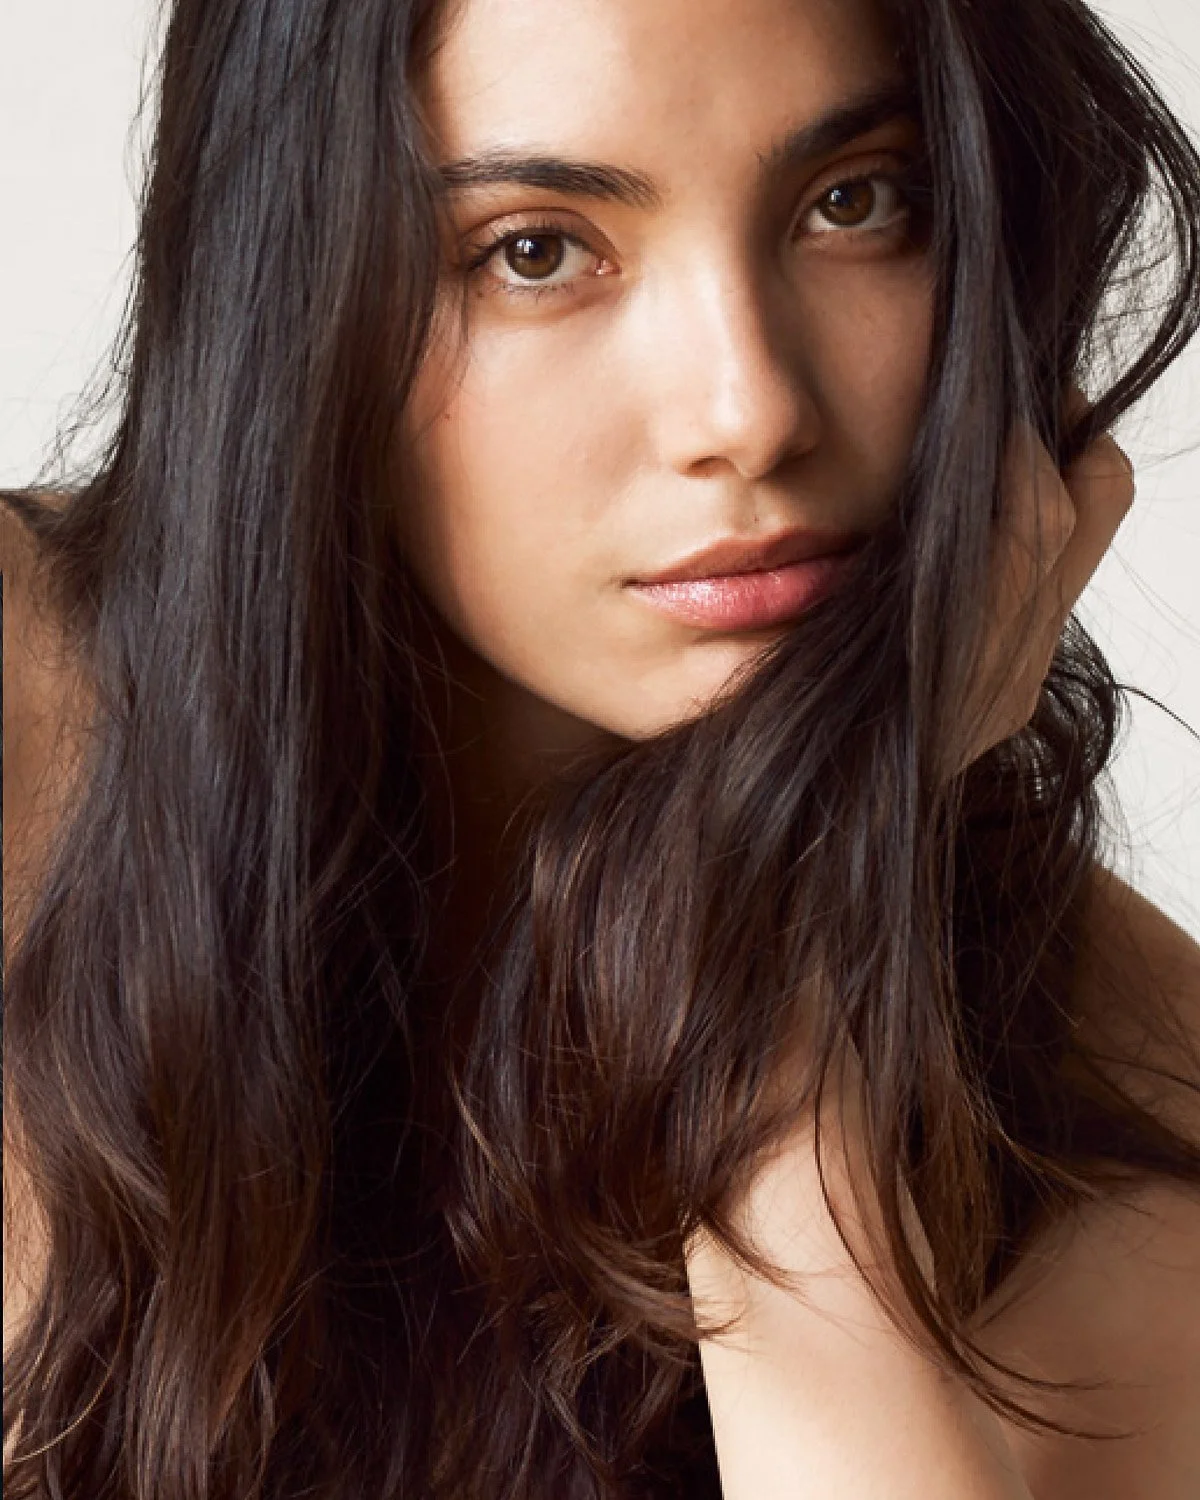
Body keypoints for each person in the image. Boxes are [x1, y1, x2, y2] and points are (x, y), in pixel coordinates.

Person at [4, 0, 1200, 1495]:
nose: (749, 412)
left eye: (855, 203)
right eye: (534, 250)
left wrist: (780, 970)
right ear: (290, 292)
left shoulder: (1114, 1074)